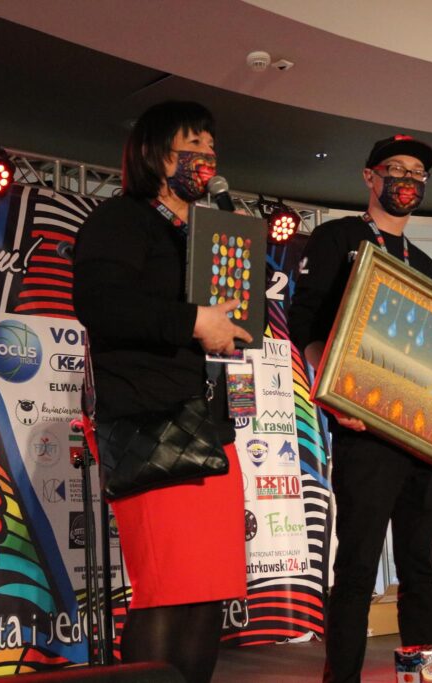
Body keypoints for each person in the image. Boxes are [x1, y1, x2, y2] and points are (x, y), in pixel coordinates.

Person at [288, 134, 432, 683]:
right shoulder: (337, 237)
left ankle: (425, 678)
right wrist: (332, 391)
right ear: (369, 177)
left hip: (421, 437)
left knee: (421, 568)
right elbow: (304, 322)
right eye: (395, 169)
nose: (407, 180)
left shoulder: (425, 263)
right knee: (356, 568)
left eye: (417, 173)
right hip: (363, 430)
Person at [72, 101, 251, 683]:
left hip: (210, 427)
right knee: (167, 591)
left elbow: (234, 318)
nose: (206, 156)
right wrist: (193, 321)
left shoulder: (204, 231)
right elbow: (100, 303)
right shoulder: (121, 219)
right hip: (151, 424)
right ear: (155, 153)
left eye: (211, 146)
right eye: (192, 145)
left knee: (207, 593)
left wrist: (233, 322)